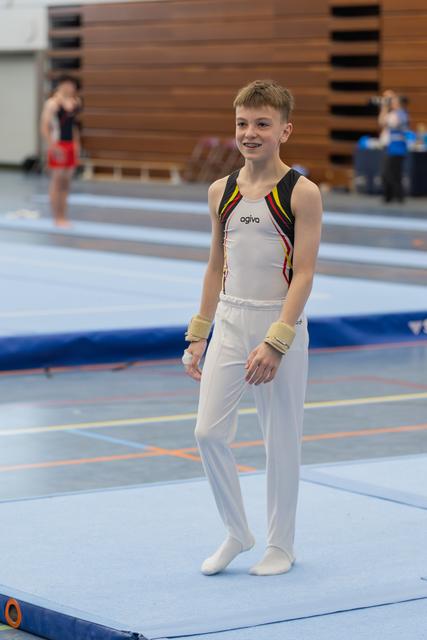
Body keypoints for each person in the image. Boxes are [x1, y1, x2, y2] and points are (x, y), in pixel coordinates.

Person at [182, 80, 323, 576]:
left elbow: (304, 271)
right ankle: (238, 532)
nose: (250, 133)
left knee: (280, 437)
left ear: (285, 129)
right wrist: (199, 332)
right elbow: (215, 262)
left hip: (277, 322)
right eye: (242, 123)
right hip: (230, 317)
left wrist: (278, 340)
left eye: (262, 124)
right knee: (207, 432)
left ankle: (280, 544)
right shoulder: (220, 190)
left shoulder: (301, 193)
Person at [40, 75, 81, 227]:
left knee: (66, 183)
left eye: (73, 85)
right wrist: (53, 147)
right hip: (58, 144)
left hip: (70, 145)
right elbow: (44, 127)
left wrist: (77, 145)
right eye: (67, 85)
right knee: (57, 182)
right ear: (61, 85)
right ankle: (57, 218)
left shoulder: (75, 102)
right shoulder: (52, 104)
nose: (70, 88)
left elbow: (74, 127)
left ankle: (64, 216)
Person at [378, 90, 409, 203]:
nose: (392, 103)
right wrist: (385, 107)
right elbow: (381, 121)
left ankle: (398, 196)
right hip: (391, 147)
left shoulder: (400, 114)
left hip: (397, 148)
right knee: (387, 172)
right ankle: (389, 196)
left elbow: (390, 123)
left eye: (394, 101)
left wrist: (388, 102)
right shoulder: (394, 113)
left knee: (394, 173)